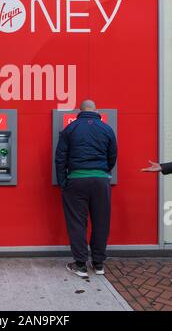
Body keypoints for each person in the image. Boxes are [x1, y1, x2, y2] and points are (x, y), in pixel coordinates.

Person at [55, 100, 117, 278]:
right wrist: (103, 171)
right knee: (101, 221)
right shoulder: (107, 129)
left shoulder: (70, 129)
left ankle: (80, 264)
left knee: (77, 222)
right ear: (96, 110)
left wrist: (63, 182)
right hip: (100, 181)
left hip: (76, 180)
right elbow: (112, 155)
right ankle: (98, 263)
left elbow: (60, 158)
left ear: (79, 111)